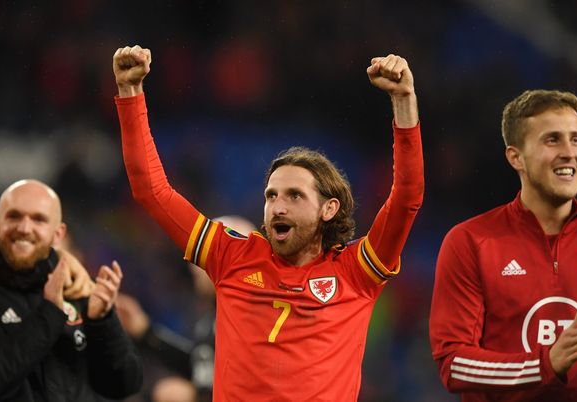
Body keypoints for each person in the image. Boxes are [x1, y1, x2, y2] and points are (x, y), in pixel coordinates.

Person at [113, 44, 424, 400]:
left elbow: (407, 196)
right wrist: (130, 92)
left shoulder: (357, 272)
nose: (277, 206)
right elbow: (151, 191)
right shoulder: (231, 256)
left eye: (294, 195)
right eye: (271, 195)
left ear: (329, 209)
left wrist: (403, 101)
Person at [429, 90, 577, 401]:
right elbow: (454, 365)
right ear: (516, 157)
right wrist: (544, 365)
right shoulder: (471, 241)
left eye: (576, 139)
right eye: (552, 140)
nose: (569, 152)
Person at [0, 179, 142, 401]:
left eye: (38, 219)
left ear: (58, 234)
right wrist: (49, 314)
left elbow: (125, 384)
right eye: (14, 216)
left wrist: (103, 322)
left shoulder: (77, 287)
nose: (24, 228)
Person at [117, 215, 256, 402]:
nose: (192, 266)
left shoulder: (258, 319)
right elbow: (202, 367)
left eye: (203, 254)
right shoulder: (215, 317)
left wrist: (197, 397)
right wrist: (146, 332)